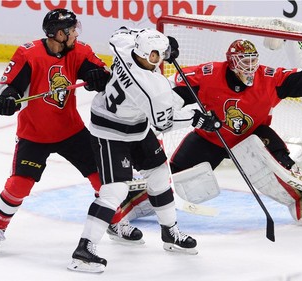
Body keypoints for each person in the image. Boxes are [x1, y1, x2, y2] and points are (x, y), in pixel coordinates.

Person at [102, 38, 302, 228]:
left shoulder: (266, 78)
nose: (250, 68)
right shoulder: (209, 74)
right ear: (232, 63)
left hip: (253, 134)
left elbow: (297, 83)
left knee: (282, 167)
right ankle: (127, 204)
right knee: (173, 178)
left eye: (253, 62)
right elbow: (176, 93)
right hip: (210, 138)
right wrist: (164, 109)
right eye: (244, 62)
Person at [67, 27, 220, 273]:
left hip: (135, 127)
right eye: (155, 56)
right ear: (146, 55)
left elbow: (120, 32)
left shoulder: (126, 47)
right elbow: (164, 122)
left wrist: (165, 45)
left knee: (160, 175)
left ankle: (170, 232)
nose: (159, 59)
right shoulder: (152, 89)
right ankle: (83, 250)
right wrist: (197, 119)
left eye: (161, 54)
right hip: (110, 131)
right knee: (115, 191)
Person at [0, 8, 111, 255]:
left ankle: (116, 222)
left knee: (104, 179)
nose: (76, 33)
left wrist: (99, 77)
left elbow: (99, 72)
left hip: (71, 131)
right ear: (59, 34)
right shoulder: (28, 53)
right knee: (19, 186)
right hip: (35, 134)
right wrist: (8, 99)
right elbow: (9, 87)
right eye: (72, 30)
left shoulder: (79, 50)